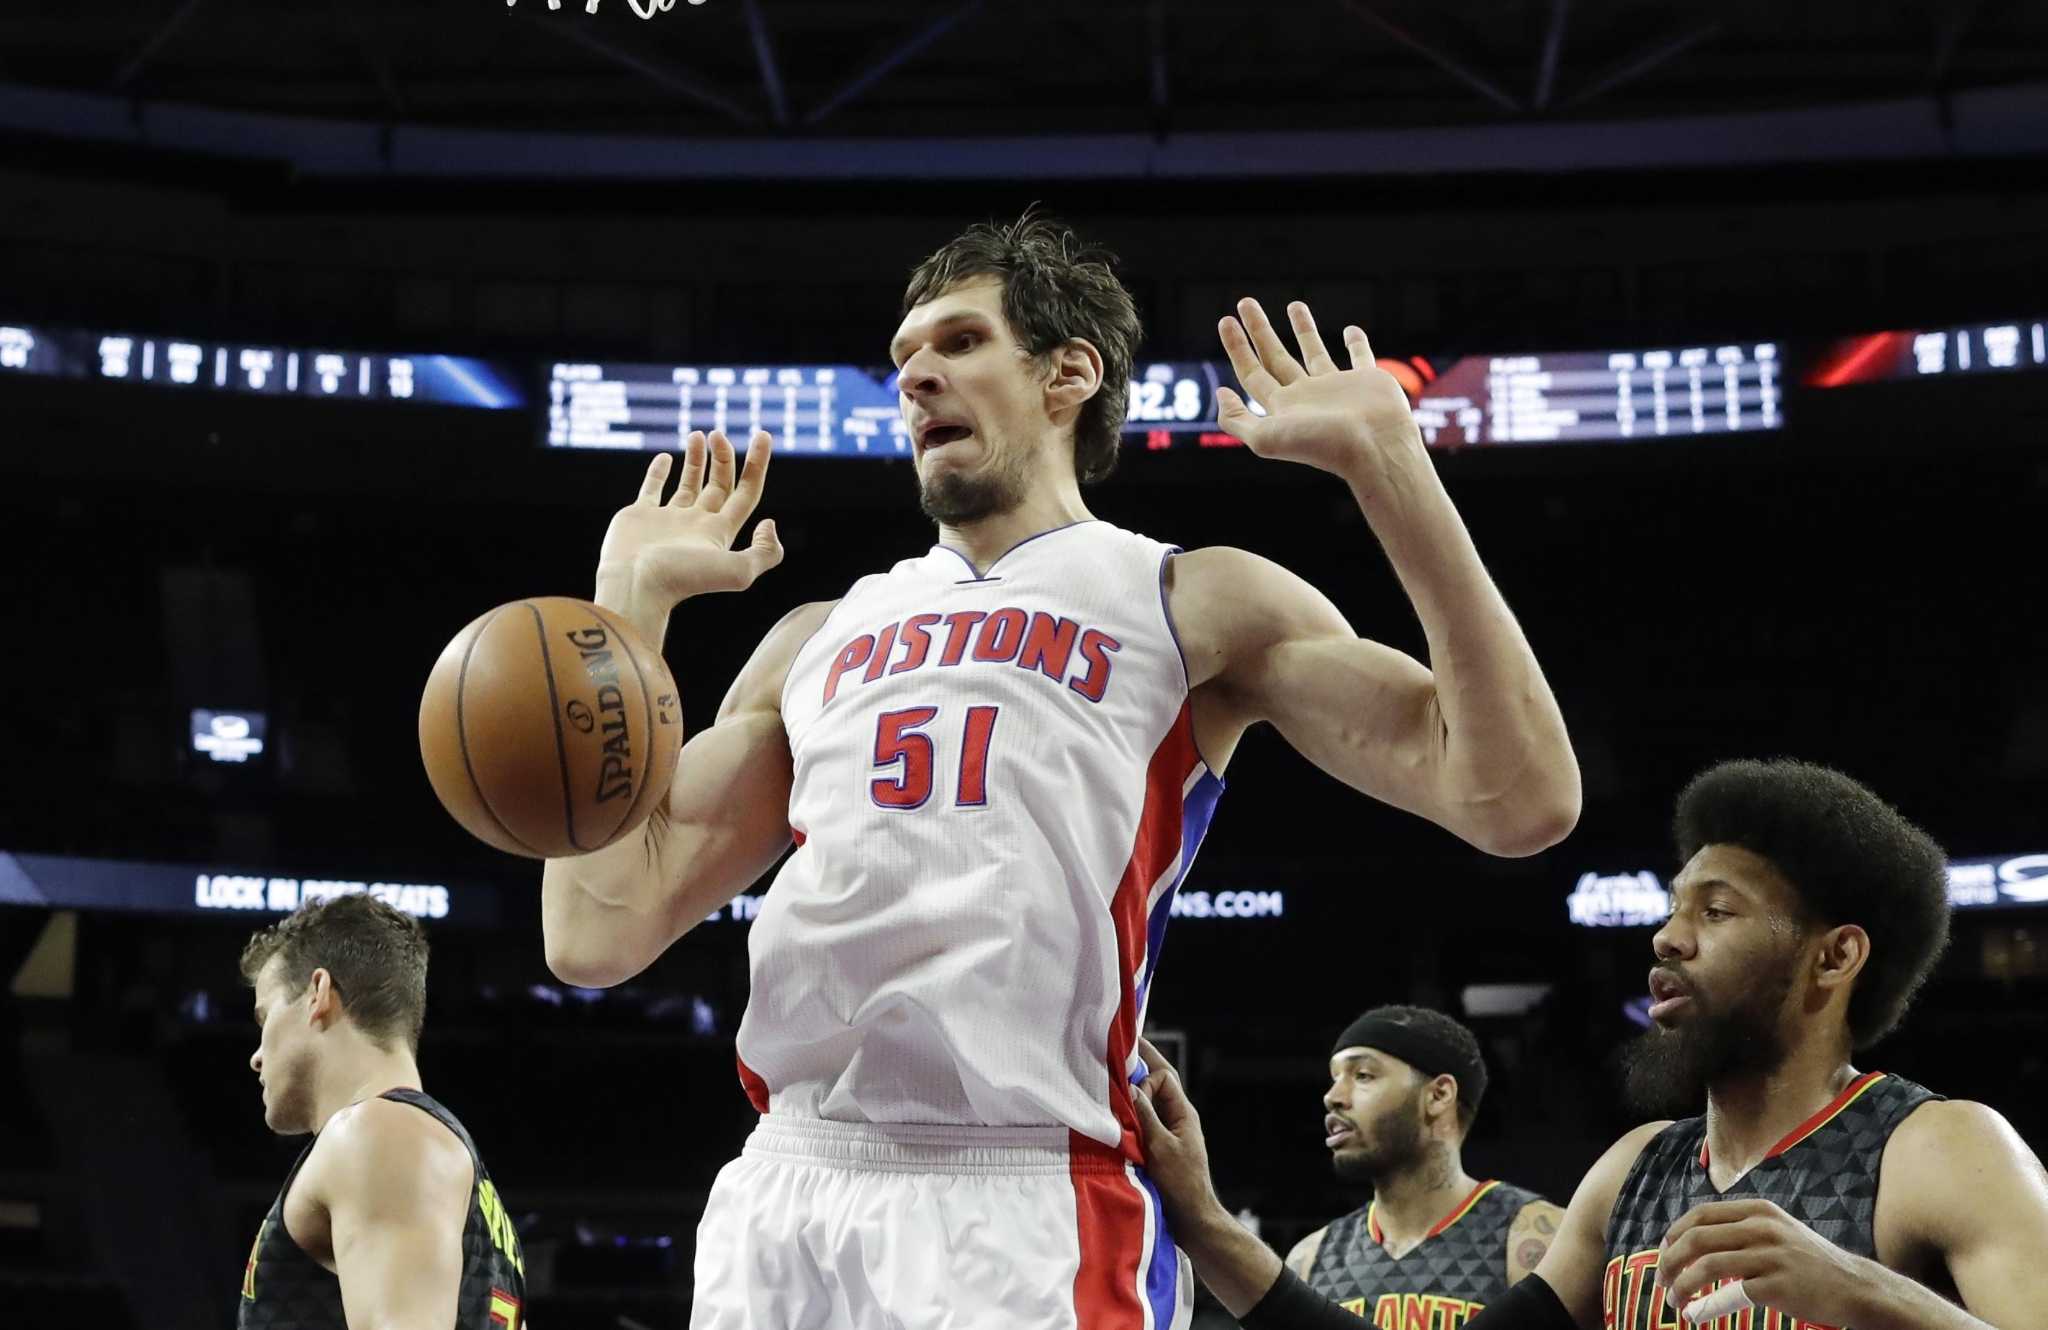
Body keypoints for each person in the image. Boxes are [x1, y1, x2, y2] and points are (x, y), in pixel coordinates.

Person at [539, 212, 1581, 1328]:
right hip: (788, 1189)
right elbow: (596, 932)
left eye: (956, 342)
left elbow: (1516, 797)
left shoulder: (1192, 600)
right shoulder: (815, 635)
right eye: (902, 359)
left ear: (1067, 372)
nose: (915, 375)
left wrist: (1390, 469)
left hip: (1029, 1194)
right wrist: (625, 610)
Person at [1134, 760, 2048, 1330]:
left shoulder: (1942, 1147)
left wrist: (1864, 1293)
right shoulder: (1633, 1171)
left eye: (1715, 912)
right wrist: (1203, 1218)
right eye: (1672, 906)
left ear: (1835, 955)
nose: (1666, 937)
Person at [239, 894, 527, 1330]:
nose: (256, 1056)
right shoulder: (443, 1166)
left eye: (265, 1019)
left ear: (318, 993)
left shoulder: (376, 1133)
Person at [1284, 1006, 1563, 1322]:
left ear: (1439, 1095)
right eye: (1335, 1078)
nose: (1333, 1097)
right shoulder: (1310, 1259)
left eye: (1362, 1075)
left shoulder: (1536, 1239)